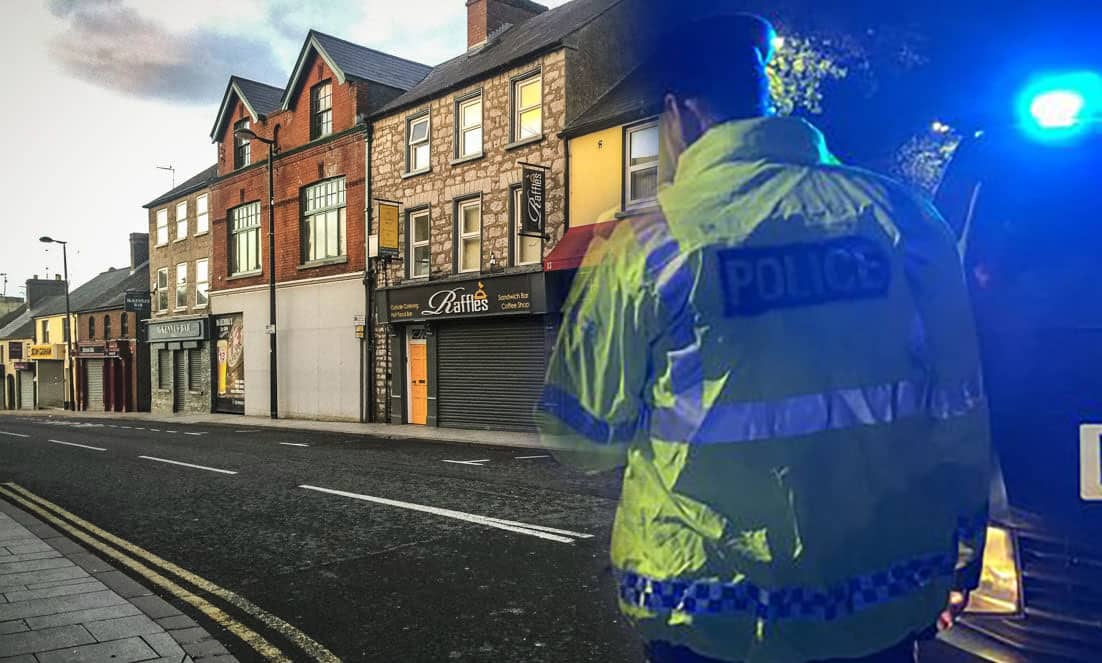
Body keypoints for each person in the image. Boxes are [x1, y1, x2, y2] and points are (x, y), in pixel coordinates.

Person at [536, 11, 991, 663]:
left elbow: (580, 438)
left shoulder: (647, 246)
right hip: (879, 602)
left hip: (709, 613)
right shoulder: (906, 222)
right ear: (766, 100)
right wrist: (965, 553)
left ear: (679, 114)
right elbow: (961, 411)